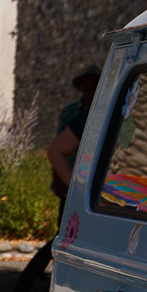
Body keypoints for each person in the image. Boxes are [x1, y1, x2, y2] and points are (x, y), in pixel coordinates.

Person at [48, 65, 100, 217]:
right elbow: (57, 148)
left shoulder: (105, 110)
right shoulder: (69, 112)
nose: (90, 86)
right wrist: (57, 178)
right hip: (70, 175)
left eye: (94, 82)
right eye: (87, 82)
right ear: (82, 86)